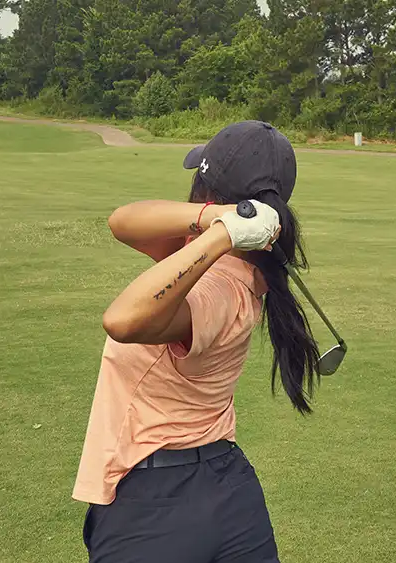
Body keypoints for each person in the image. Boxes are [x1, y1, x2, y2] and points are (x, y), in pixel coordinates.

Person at [73, 121, 321, 563]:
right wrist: (216, 219)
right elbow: (122, 221)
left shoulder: (217, 287)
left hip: (157, 506)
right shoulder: (226, 266)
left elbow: (121, 320)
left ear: (203, 188)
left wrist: (221, 232)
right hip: (227, 487)